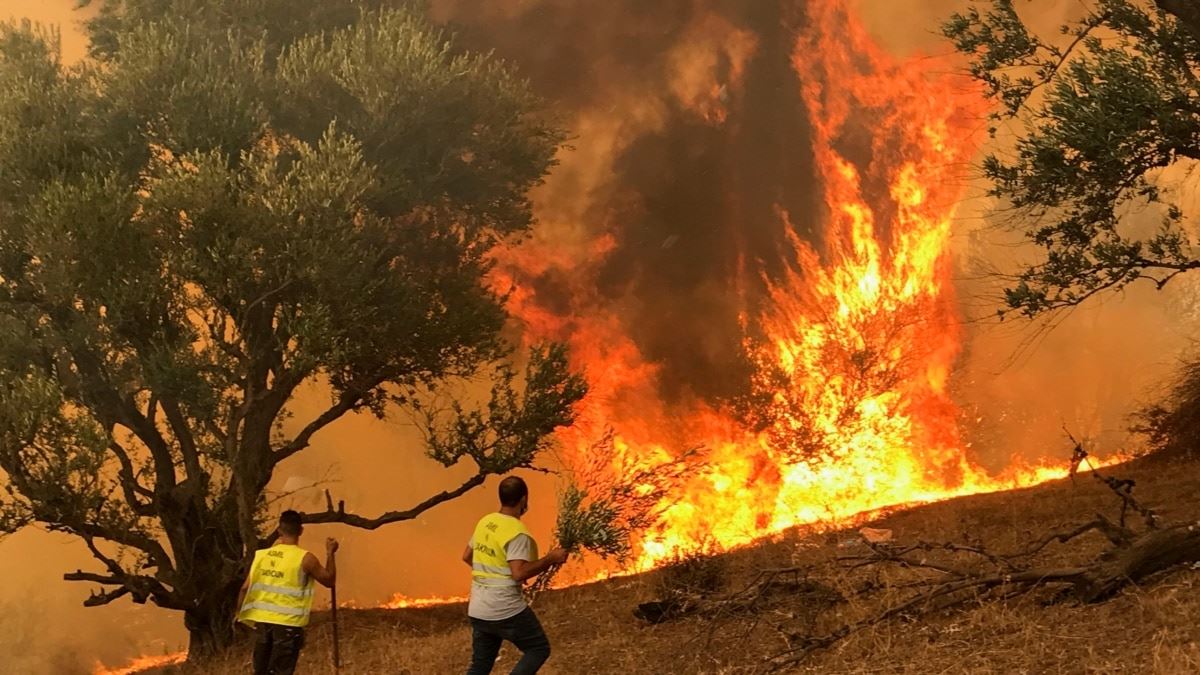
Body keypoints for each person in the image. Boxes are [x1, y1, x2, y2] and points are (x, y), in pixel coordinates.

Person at [463, 476, 568, 675]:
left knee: (480, 665)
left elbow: (467, 556)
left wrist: (491, 573)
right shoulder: (517, 532)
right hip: (505, 609)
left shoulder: (486, 521)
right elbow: (519, 573)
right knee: (538, 648)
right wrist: (551, 558)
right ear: (523, 499)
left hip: (478, 608)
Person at [236, 510, 338, 675]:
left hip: (262, 623)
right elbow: (329, 580)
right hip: (288, 625)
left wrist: (239, 615)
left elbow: (244, 588)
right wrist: (330, 553)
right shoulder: (305, 558)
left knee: (260, 671)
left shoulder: (261, 556)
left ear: (279, 530)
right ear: (301, 531)